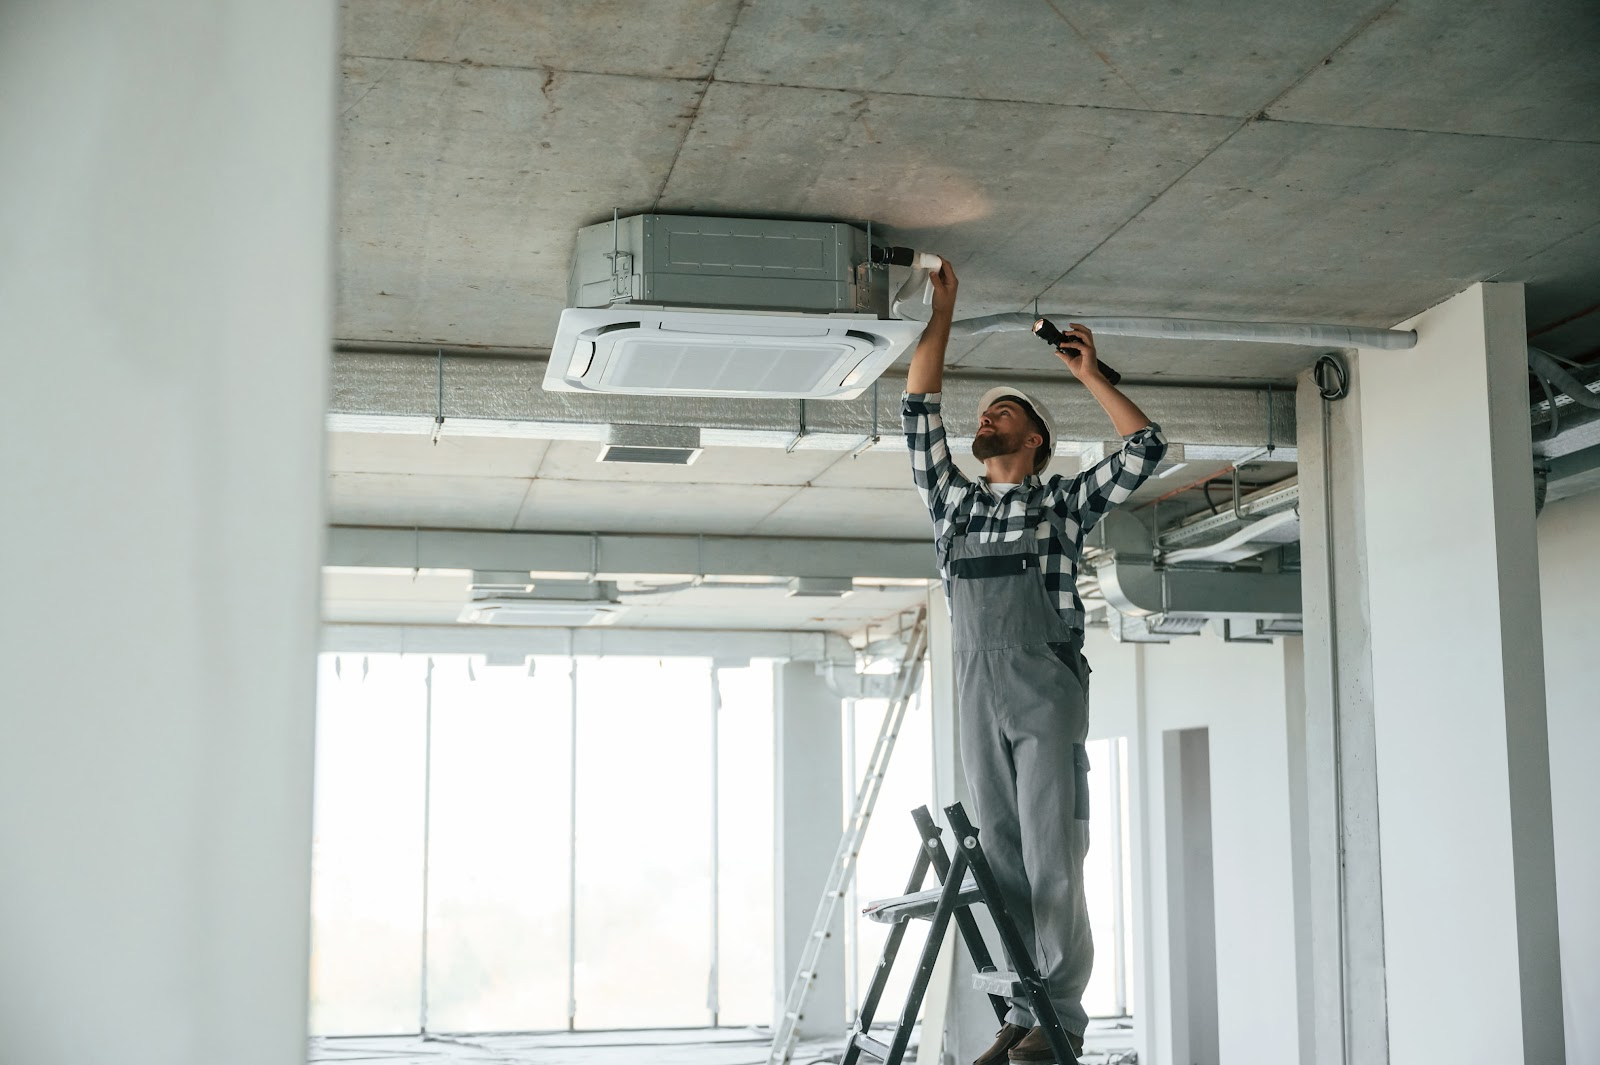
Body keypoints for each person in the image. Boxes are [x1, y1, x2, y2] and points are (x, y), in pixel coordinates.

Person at [902, 259, 1166, 1065]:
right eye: (983, 412)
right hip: (979, 690)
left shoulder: (1058, 503)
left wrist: (1086, 371)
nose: (986, 417)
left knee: (1055, 851)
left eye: (1002, 411)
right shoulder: (953, 502)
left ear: (1034, 439)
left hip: (1044, 687)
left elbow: (1143, 447)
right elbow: (919, 409)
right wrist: (941, 313)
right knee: (999, 857)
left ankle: (1063, 1021)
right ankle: (1022, 1013)